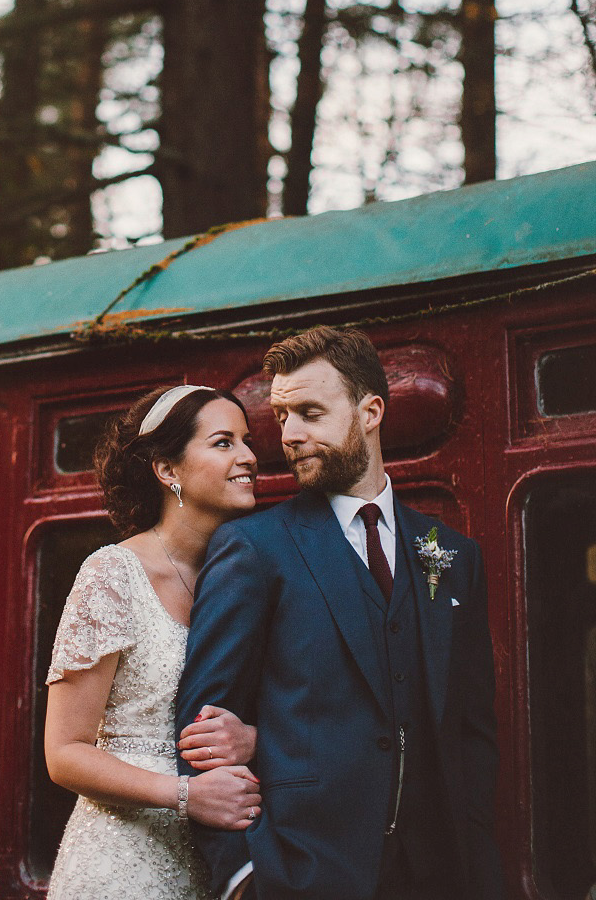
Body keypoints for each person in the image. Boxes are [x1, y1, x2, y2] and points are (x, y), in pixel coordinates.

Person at [176, 327, 505, 900]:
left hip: (439, 875)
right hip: (300, 874)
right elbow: (202, 733)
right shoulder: (255, 548)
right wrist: (242, 878)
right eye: (281, 418)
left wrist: (477, 861)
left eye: (309, 412)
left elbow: (472, 727)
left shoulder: (451, 554)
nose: (290, 436)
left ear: (370, 411)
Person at [44, 383, 264, 899]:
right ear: (167, 471)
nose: (250, 457)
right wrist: (185, 794)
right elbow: (64, 752)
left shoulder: (249, 575)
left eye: (247, 441)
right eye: (224, 442)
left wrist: (252, 738)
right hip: (121, 863)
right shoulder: (111, 574)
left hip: (218, 863)